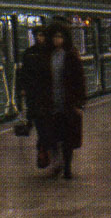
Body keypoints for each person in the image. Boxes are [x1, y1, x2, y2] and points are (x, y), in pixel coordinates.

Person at [24, 20, 86, 179]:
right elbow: (38, 79)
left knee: (67, 137)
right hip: (49, 102)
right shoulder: (44, 56)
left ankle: (67, 167)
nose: (57, 40)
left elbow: (79, 79)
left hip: (68, 103)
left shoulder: (71, 54)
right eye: (54, 37)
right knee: (51, 135)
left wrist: (80, 103)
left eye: (60, 37)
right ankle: (56, 161)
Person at [17, 25, 50, 157]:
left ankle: (44, 143)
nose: (38, 38)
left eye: (41, 35)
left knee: (46, 121)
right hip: (33, 93)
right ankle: (42, 144)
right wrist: (23, 88)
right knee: (39, 121)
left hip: (47, 93)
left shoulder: (49, 52)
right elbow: (24, 72)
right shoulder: (29, 53)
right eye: (36, 35)